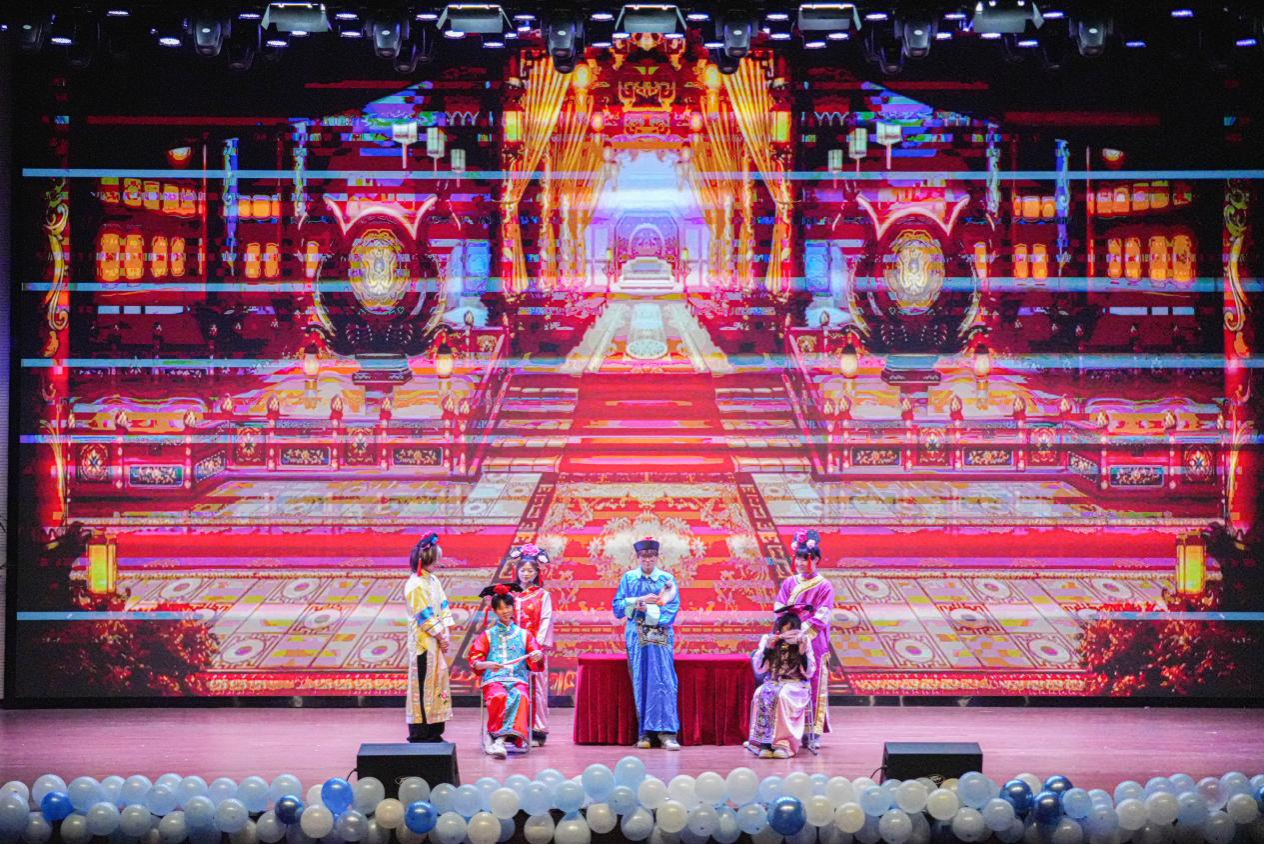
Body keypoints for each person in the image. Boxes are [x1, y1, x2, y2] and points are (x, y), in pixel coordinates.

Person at [612, 536, 681, 750]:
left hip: (661, 634)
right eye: (644, 557)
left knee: (663, 680)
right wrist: (638, 602)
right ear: (638, 557)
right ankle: (645, 733)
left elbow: (672, 607)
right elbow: (618, 607)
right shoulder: (629, 578)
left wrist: (652, 612)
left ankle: (668, 733)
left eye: (651, 557)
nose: (648, 561)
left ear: (657, 557)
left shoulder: (666, 580)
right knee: (641, 680)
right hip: (637, 635)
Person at [773, 528, 834, 748]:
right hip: (788, 637)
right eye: (797, 558)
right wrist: (788, 632)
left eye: (804, 558)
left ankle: (813, 732)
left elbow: (823, 614)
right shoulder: (789, 582)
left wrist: (801, 633)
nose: (799, 563)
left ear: (816, 559)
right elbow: (779, 606)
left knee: (814, 683)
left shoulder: (824, 586)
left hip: (813, 639)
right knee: (785, 680)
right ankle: (786, 730)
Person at [469, 587, 545, 759]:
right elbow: (475, 661)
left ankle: (498, 739)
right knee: (499, 696)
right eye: (501, 608)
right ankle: (497, 737)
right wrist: (486, 664)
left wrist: (537, 655)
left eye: (508, 607)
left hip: (517, 679)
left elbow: (536, 655)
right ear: (495, 611)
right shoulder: (487, 635)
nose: (505, 611)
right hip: (494, 679)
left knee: (520, 696)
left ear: (513, 608)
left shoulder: (524, 635)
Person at [405, 531, 456, 742]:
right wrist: (440, 635)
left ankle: (435, 730)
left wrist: (446, 633)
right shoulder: (415, 584)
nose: (437, 563)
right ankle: (421, 732)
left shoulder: (433, 581)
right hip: (423, 643)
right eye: (434, 559)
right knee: (422, 685)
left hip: (436, 641)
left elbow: (443, 606)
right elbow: (423, 615)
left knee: (437, 684)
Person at [746, 612, 817, 758]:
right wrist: (768, 648)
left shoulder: (804, 640)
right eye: (786, 629)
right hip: (773, 681)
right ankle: (764, 743)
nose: (789, 633)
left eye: (793, 630)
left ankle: (783, 744)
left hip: (796, 684)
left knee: (782, 696)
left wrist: (802, 652)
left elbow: (809, 672)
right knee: (761, 693)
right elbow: (759, 668)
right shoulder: (768, 639)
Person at [509, 544, 554, 747]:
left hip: (535, 649)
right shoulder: (511, 594)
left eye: (530, 571)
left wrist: (537, 646)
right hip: (514, 649)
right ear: (517, 571)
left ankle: (537, 730)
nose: (526, 574)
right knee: (514, 687)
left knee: (537, 689)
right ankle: (515, 729)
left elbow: (546, 619)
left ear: (536, 573)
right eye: (523, 570)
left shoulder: (542, 595)